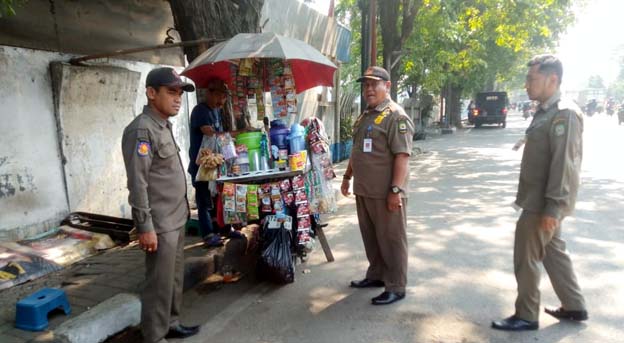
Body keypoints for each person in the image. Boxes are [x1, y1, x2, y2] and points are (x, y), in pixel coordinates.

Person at [492, 54, 588, 331]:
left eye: (531, 79)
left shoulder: (564, 113)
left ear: (552, 79)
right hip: (540, 199)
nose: (526, 84)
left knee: (527, 257)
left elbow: (564, 164)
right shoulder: (546, 110)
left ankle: (526, 314)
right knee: (553, 251)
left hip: (543, 203)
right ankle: (574, 304)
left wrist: (554, 208)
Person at [121, 67, 200, 343]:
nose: (178, 98)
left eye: (179, 93)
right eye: (171, 92)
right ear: (151, 93)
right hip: (160, 223)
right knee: (158, 283)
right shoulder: (142, 130)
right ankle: (154, 336)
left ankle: (172, 322)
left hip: (176, 217)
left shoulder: (162, 125)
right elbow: (138, 183)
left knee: (174, 278)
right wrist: (145, 227)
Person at [341, 66, 415, 305]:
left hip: (386, 194)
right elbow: (357, 149)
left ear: (388, 86)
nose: (369, 89)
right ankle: (377, 275)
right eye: (366, 85)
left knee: (392, 239)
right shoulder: (366, 115)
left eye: (375, 84)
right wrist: (347, 176)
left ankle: (396, 285)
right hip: (364, 190)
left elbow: (402, 156)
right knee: (371, 238)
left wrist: (396, 190)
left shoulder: (396, 115)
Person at [188, 78, 230, 247]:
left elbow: (218, 134)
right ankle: (207, 235)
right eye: (219, 96)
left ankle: (218, 229)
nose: (222, 101)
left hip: (213, 162)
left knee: (216, 197)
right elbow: (210, 133)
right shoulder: (200, 111)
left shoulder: (216, 111)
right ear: (209, 93)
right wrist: (231, 135)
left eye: (224, 97)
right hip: (201, 165)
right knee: (204, 200)